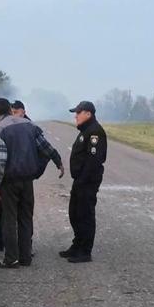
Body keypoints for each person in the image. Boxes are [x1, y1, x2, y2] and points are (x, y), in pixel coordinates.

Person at [0, 98, 63, 268]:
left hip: (9, 182)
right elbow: (45, 146)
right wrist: (59, 162)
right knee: (26, 218)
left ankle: (11, 259)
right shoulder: (28, 125)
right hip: (27, 180)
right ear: (10, 109)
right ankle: (25, 256)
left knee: (9, 219)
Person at [0, 100, 31, 252]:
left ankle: (18, 252)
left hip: (11, 179)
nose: (15, 115)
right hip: (12, 177)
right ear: (9, 110)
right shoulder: (2, 128)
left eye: (18, 111)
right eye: (13, 111)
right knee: (2, 213)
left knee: (15, 217)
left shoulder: (27, 126)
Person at [60, 101, 107, 263]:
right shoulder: (86, 131)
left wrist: (83, 180)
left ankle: (85, 251)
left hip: (87, 181)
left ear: (88, 114)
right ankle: (77, 245)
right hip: (80, 180)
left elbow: (93, 161)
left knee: (85, 215)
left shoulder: (95, 132)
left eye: (78, 112)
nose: (75, 116)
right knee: (75, 213)